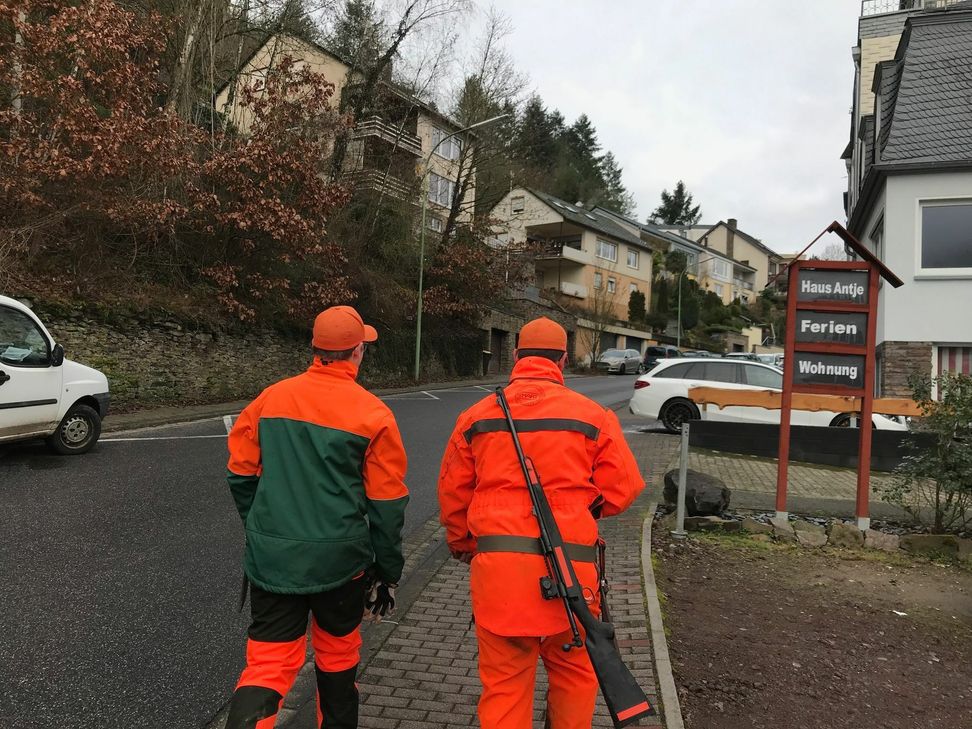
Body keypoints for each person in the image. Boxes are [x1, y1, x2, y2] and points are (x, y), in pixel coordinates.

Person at [437, 317, 645, 729]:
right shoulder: (594, 416)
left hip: (500, 578)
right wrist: (583, 511)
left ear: (515, 357)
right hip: (574, 579)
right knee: (575, 680)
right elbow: (624, 489)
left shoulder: (476, 416)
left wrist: (464, 545)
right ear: (563, 360)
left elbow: (453, 497)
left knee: (504, 688)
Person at [224, 305, 409, 729]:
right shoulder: (374, 414)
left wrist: (265, 527)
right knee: (338, 657)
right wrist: (388, 571)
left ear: (317, 349)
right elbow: (386, 505)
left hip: (274, 559)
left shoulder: (271, 398)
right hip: (341, 564)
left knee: (268, 665)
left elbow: (239, 473)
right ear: (357, 351)